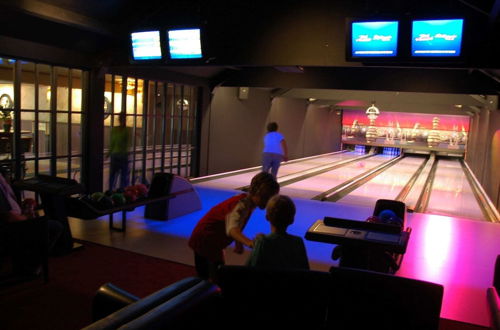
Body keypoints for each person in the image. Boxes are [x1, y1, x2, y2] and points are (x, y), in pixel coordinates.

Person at [188, 172, 280, 281]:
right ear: (255, 192)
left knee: (213, 273)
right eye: (265, 197)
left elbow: (238, 224)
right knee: (214, 275)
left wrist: (238, 243)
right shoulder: (241, 205)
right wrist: (250, 243)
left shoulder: (249, 204)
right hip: (205, 238)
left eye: (271, 198)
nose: (268, 201)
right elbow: (232, 229)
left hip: (211, 239)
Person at [0, 172, 63, 277]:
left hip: (12, 222)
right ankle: (30, 267)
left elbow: (7, 207)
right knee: (55, 226)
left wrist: (23, 207)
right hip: (8, 230)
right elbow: (9, 217)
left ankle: (25, 260)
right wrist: (27, 217)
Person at [246, 195, 309, 269]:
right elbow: (305, 270)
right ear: (292, 220)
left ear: (267, 217)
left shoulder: (262, 242)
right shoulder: (298, 242)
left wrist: (259, 242)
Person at [108, 112, 131, 190]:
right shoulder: (115, 129)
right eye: (121, 118)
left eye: (123, 118)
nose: (122, 119)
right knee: (113, 177)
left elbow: (128, 144)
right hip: (117, 155)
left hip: (121, 155)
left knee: (122, 177)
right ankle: (112, 191)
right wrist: (108, 154)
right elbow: (112, 143)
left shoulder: (127, 130)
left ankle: (121, 191)